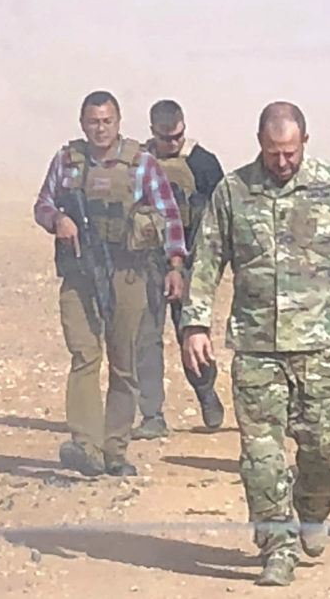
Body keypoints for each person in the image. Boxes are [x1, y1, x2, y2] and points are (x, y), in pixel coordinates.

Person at [181, 102, 330, 586]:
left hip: (321, 346)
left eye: (290, 152)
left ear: (305, 141)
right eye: (273, 153)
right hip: (257, 346)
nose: (282, 162)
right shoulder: (233, 191)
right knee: (261, 456)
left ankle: (313, 509)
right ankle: (277, 545)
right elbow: (207, 258)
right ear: (260, 142)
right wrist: (195, 324)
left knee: (326, 451)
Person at [33, 90, 186, 477]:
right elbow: (43, 203)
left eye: (107, 121)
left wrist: (175, 266)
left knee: (124, 363)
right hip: (80, 273)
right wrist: (57, 221)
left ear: (118, 122)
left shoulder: (142, 164)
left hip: (128, 271)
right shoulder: (67, 161)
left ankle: (114, 450)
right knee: (84, 354)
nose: (100, 129)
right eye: (93, 122)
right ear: (82, 124)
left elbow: (169, 216)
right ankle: (85, 444)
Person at [133, 99, 226, 439]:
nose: (172, 144)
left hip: (188, 262)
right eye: (165, 138)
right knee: (145, 340)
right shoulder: (139, 162)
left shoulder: (203, 163)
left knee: (191, 333)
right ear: (152, 132)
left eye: (177, 137)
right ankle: (152, 414)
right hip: (145, 264)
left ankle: (206, 393)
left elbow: (220, 215)